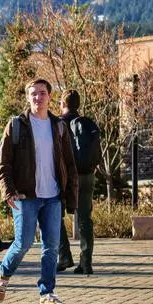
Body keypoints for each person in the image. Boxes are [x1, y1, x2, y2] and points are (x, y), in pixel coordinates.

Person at [0, 78, 78, 304]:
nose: (38, 98)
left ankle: (47, 293)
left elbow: (69, 164)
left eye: (42, 93)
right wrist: (7, 191)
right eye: (33, 94)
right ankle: (3, 272)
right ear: (27, 97)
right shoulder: (16, 125)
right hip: (25, 196)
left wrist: (70, 196)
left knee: (51, 247)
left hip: (52, 196)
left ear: (50, 96)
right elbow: (4, 163)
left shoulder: (59, 126)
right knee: (23, 243)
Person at [57, 89, 101, 275]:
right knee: (84, 218)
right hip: (88, 175)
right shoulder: (88, 123)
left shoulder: (58, 124)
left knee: (54, 216)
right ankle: (86, 262)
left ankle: (64, 256)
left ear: (62, 104)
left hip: (65, 176)